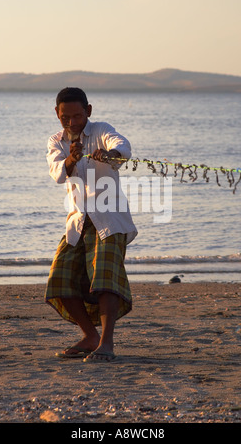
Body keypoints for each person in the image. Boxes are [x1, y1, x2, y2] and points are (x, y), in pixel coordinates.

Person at [45, 87, 137, 362]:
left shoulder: (102, 130)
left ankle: (106, 344)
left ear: (89, 111)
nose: (72, 122)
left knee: (104, 281)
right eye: (65, 117)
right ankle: (90, 336)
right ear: (57, 114)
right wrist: (71, 158)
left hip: (109, 220)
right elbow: (59, 174)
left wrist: (110, 154)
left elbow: (123, 147)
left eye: (77, 116)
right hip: (78, 221)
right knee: (59, 280)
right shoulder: (55, 142)